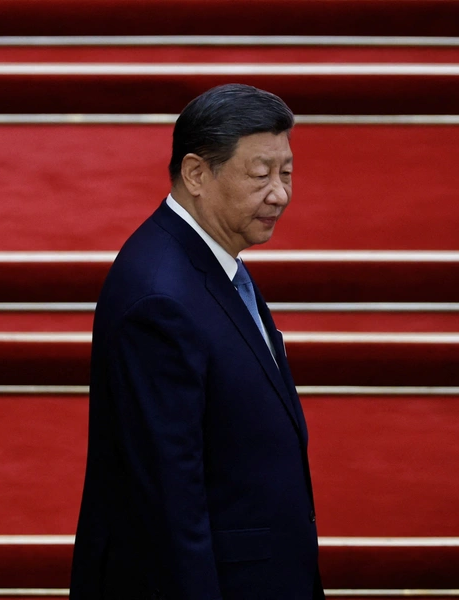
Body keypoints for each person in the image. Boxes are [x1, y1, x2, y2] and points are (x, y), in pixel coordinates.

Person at [70, 83, 323, 600]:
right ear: (196, 174)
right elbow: (167, 506)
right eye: (260, 175)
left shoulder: (211, 263)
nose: (280, 194)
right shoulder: (160, 298)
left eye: (286, 173)